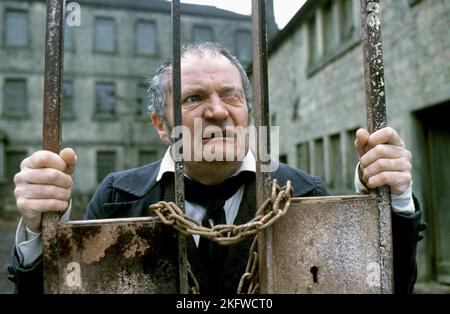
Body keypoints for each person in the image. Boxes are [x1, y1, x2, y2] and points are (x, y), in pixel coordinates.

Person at [9, 42, 424, 294]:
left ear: (248, 111)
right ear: (160, 124)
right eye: (193, 99)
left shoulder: (300, 192)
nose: (217, 112)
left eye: (231, 96)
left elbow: (384, 285)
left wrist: (392, 202)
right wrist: (39, 229)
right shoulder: (118, 197)